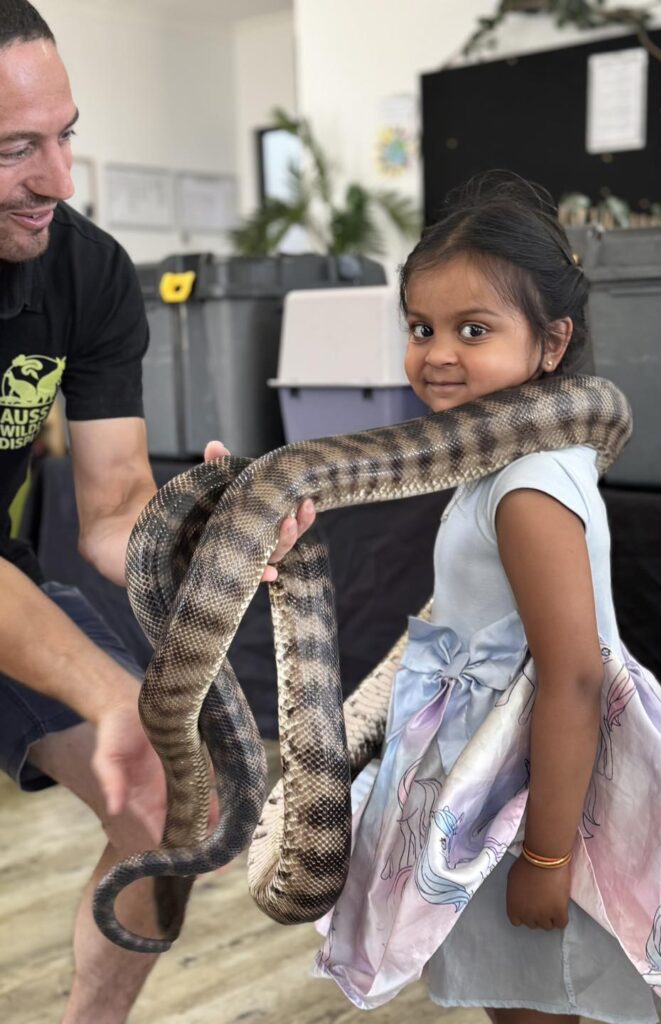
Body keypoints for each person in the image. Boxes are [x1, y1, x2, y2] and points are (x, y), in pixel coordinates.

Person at [313, 176, 661, 1024]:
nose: (438, 353)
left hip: (527, 793)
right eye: (421, 327)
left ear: (552, 345)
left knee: (535, 1007)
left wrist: (549, 857)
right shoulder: (496, 463)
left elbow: (576, 677)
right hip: (490, 775)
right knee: (517, 1002)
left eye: (473, 330)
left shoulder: (526, 489)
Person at [0, 3, 314, 1021]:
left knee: (154, 807)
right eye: (14, 151)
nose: (58, 180)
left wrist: (198, 530)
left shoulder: (84, 271)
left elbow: (112, 504)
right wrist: (110, 699)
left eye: (66, 135)